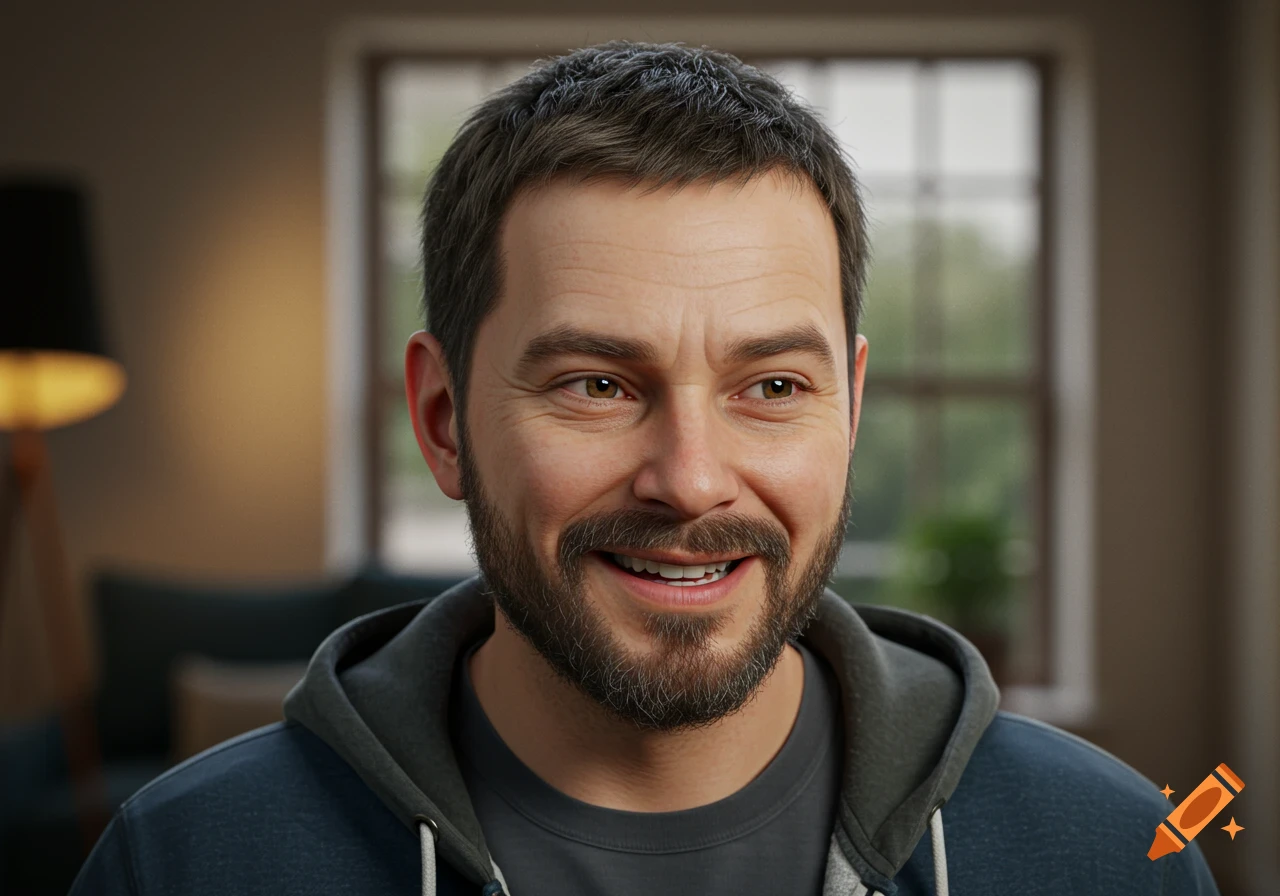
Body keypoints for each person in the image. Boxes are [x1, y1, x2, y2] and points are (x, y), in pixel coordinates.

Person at [70, 40, 1220, 896]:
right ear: (441, 417)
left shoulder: (1115, 853)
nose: (690, 478)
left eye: (772, 386)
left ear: (851, 407)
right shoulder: (182, 861)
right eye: (596, 384)